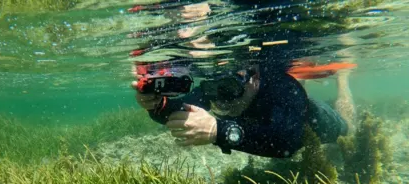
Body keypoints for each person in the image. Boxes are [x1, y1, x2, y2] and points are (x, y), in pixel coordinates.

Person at [132, 62, 356, 159]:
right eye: (214, 89)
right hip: (272, 118)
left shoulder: (282, 87)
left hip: (306, 118)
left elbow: (288, 142)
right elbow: (179, 114)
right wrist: (156, 104)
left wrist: (219, 131)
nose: (222, 99)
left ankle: (343, 82)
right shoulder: (219, 87)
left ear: (254, 78)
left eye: (230, 89)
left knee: (347, 128)